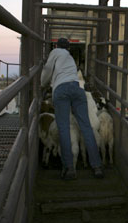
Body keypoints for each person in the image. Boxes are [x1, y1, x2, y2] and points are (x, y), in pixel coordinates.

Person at [41, 38, 104, 180]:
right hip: (77, 89)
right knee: (86, 127)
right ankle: (97, 166)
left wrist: (42, 84)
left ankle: (69, 168)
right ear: (68, 48)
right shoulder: (69, 57)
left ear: (57, 46)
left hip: (61, 90)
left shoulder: (55, 52)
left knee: (63, 129)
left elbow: (47, 71)